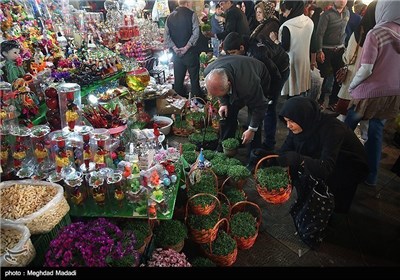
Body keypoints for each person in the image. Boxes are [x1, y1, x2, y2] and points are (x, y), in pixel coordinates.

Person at [278, 97, 369, 213]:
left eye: (291, 121)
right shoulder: (301, 124)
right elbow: (286, 148)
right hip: (327, 158)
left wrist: (300, 159)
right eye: (286, 121)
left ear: (304, 117)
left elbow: (326, 167)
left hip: (347, 164)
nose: (288, 126)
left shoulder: (333, 129)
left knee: (333, 197)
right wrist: (271, 157)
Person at [344, 0, 400, 187]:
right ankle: (371, 176)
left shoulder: (375, 33)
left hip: (369, 93)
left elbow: (366, 69)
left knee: (347, 126)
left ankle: (335, 160)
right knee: (376, 133)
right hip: (392, 94)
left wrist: (352, 86)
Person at [222, 31, 289, 152]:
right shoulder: (241, 46)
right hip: (262, 72)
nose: (232, 56)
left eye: (233, 53)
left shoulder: (258, 55)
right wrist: (224, 102)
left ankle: (267, 145)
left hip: (278, 71)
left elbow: (274, 75)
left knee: (268, 108)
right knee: (251, 107)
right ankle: (249, 140)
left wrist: (269, 96)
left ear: (241, 48)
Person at [204, 55, 270, 154]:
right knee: (228, 112)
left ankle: (254, 155)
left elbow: (260, 106)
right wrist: (224, 103)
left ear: (229, 85)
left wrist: (251, 129)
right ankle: (225, 147)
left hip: (261, 76)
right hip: (236, 73)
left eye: (222, 94)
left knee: (253, 119)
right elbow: (219, 91)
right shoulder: (208, 72)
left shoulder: (247, 84)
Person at [270, 0, 314, 98]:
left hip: (291, 62)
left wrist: (274, 40)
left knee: (292, 88)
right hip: (305, 60)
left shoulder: (287, 26)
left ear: (291, 9)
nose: (284, 15)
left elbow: (284, 48)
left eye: (285, 11)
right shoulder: (309, 22)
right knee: (301, 87)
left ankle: (291, 110)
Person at [164, 0, 203, 98]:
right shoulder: (192, 15)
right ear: (188, 3)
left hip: (177, 55)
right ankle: (197, 103)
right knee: (194, 81)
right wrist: (186, 47)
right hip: (190, 54)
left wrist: (175, 48)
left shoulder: (170, 17)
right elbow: (196, 33)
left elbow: (166, 36)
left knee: (178, 81)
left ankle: (179, 106)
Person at [315, 0, 350, 110]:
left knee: (339, 76)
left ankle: (333, 101)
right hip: (326, 49)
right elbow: (319, 34)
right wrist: (319, 50)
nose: (342, 1)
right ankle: (319, 101)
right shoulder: (327, 15)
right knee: (323, 76)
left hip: (340, 49)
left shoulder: (347, 13)